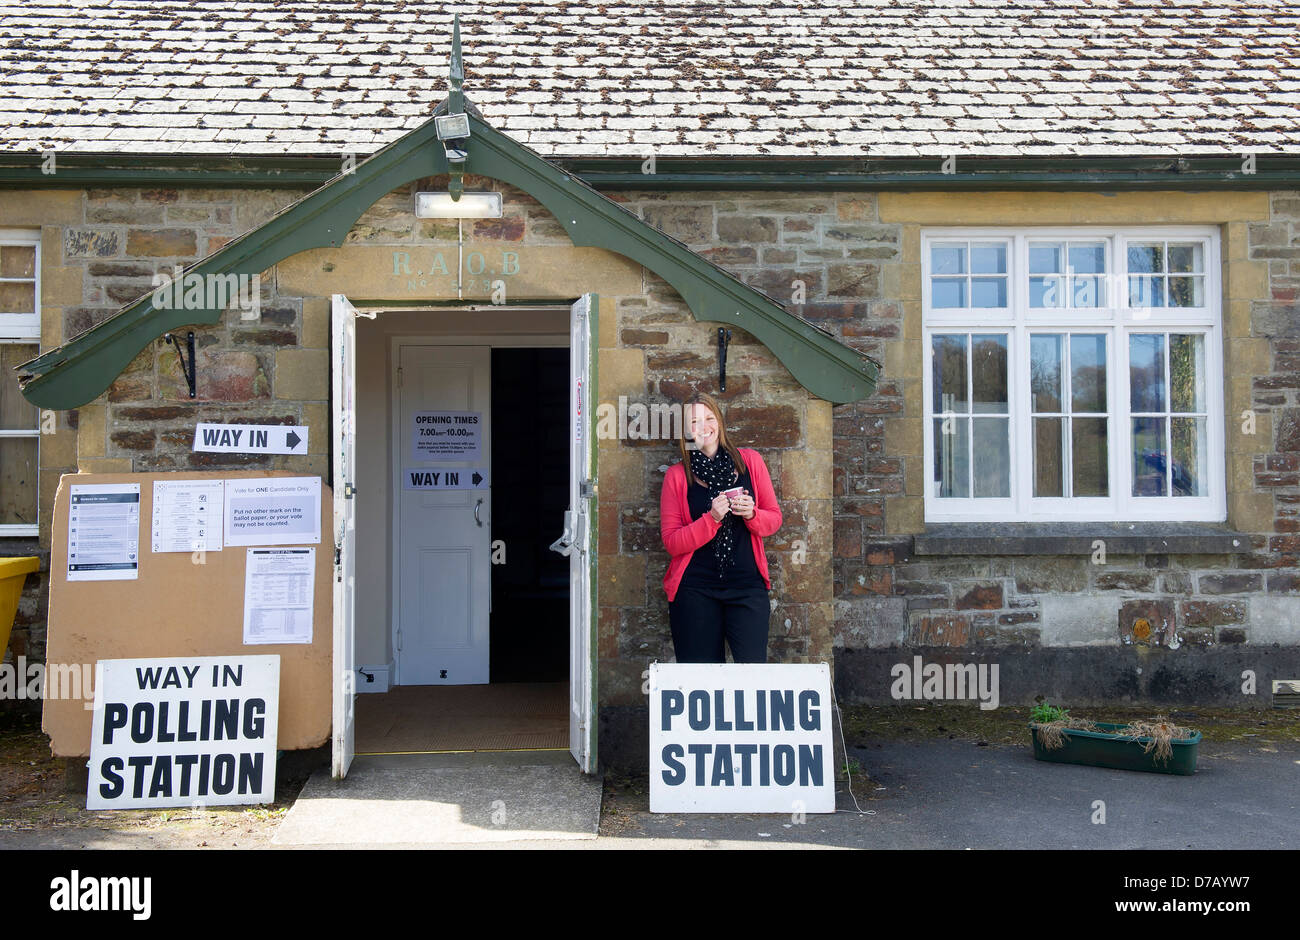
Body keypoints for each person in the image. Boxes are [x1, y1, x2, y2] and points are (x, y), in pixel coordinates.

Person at [659, 392, 782, 663]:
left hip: (747, 587)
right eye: (694, 421)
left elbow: (773, 519)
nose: (703, 427)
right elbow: (672, 542)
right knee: (699, 678)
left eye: (709, 418)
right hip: (695, 589)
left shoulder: (750, 461)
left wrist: (752, 514)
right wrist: (710, 520)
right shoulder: (677, 476)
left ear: (720, 422)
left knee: (752, 673)